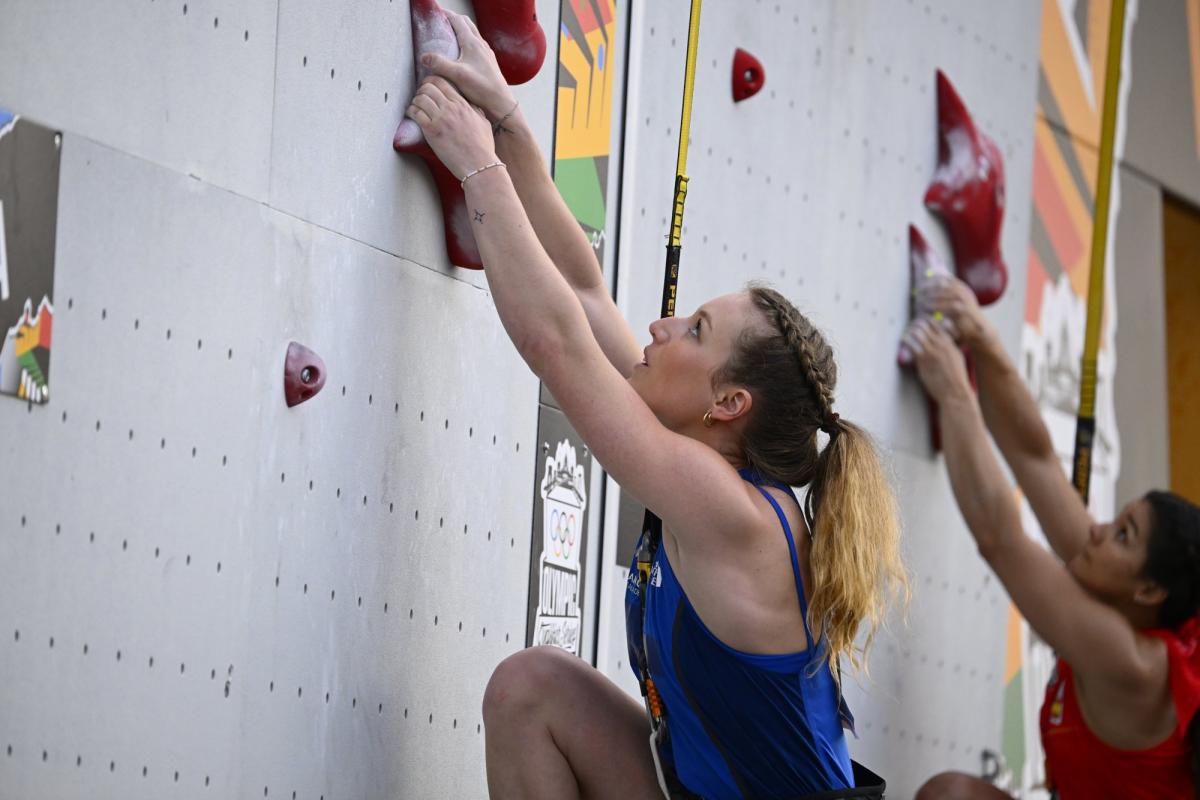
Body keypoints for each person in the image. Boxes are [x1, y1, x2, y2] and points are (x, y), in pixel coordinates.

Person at [403, 14, 907, 799]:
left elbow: (557, 347)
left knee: (531, 687)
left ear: (728, 402)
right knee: (532, 689)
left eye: (694, 329)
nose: (663, 326)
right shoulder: (704, 464)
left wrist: (476, 168)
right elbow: (579, 292)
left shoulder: (732, 513)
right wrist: (507, 124)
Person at [903, 278, 1200, 799]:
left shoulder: (1131, 664)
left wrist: (954, 390)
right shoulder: (1111, 575)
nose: (1098, 528)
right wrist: (981, 338)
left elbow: (1001, 539)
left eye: (1123, 534)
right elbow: (1033, 458)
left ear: (1150, 591)